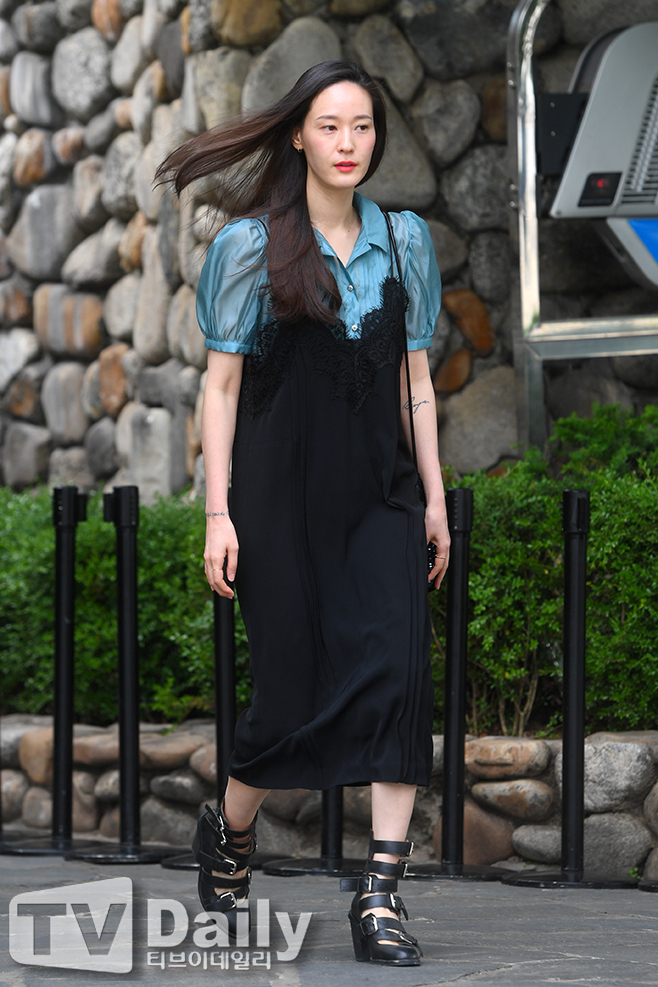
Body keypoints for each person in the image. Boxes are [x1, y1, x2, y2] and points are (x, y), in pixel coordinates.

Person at [157, 60, 450, 967]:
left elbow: (417, 387)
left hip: (383, 502)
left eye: (362, 127)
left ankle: (380, 895)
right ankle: (231, 831)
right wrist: (218, 511)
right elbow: (220, 385)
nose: (349, 144)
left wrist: (435, 498)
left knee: (399, 677)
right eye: (330, 127)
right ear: (298, 135)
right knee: (286, 697)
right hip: (277, 505)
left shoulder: (405, 242)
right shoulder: (249, 248)